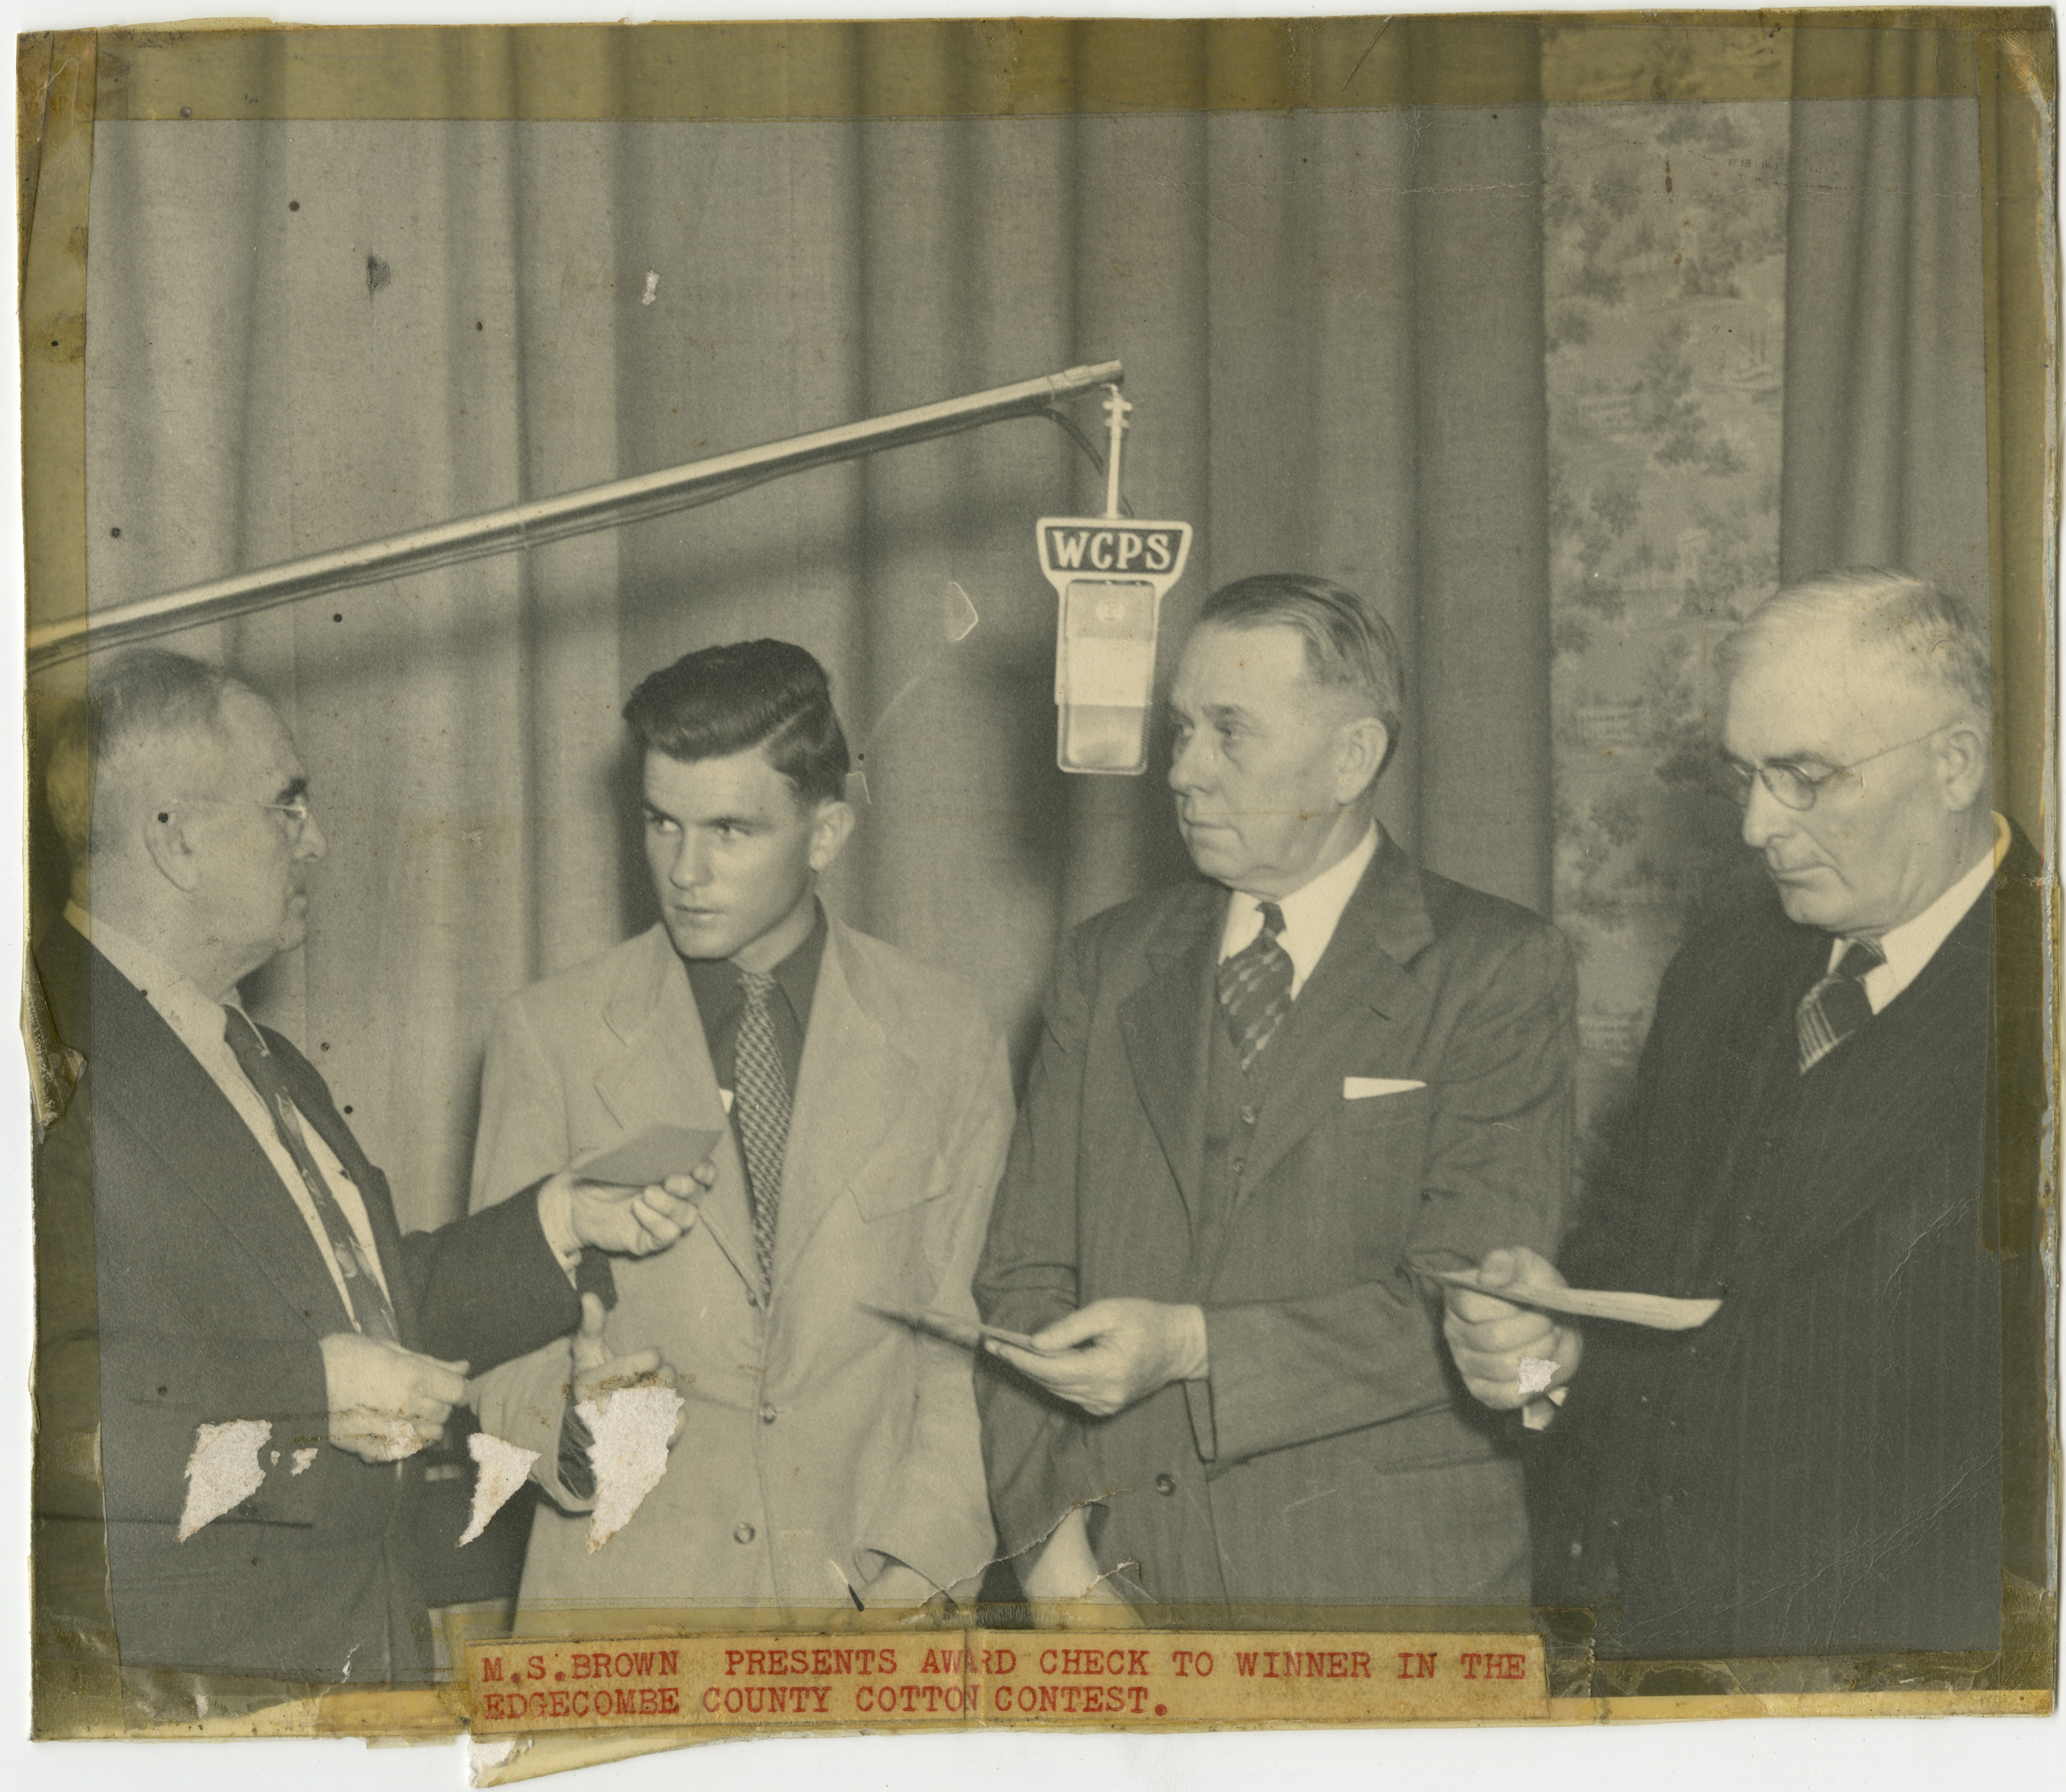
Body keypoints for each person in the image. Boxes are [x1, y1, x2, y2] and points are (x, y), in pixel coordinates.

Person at [29, 648, 705, 1685]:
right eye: (286, 805)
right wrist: (308, 1391)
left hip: (348, 1657)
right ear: (175, 836)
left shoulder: (254, 1055)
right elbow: (36, 1398)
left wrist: (559, 1220)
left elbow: (369, 1315)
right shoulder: (37, 1045)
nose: (317, 841)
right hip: (184, 1698)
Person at [1444, 568, 2046, 1658]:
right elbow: (1632, 1299)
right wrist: (1546, 1352)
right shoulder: (1721, 973)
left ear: (1954, 763)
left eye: (1803, 776)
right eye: (1745, 776)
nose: (1759, 825)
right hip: (1654, 1651)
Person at [974, 574, 1578, 1614]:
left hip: (1386, 1598)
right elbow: (1022, 1279)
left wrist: (1192, 1345)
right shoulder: (1105, 962)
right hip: (1123, 1583)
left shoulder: (1496, 968)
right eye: (1181, 729)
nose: (1181, 770)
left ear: (1352, 758)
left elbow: (1468, 1306)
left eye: (1230, 732)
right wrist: (1054, 1563)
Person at [467, 639, 1014, 1623]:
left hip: (876, 1617)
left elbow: (964, 1346)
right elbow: (500, 1361)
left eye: (730, 830)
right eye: (661, 823)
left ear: (826, 831)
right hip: (621, 1628)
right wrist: (579, 1430)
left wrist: (917, 1571)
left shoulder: (948, 1033)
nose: (686, 871)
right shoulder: (547, 1035)